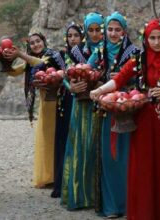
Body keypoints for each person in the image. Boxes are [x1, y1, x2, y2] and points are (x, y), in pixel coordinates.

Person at [90, 18, 160, 220]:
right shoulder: (138, 59)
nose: (157, 42)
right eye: (152, 38)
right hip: (144, 121)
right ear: (146, 39)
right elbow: (119, 79)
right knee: (144, 167)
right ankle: (145, 213)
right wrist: (99, 90)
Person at [88, 11, 139, 218]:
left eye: (118, 30)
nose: (113, 33)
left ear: (124, 31)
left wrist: (124, 84)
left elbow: (140, 81)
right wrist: (98, 82)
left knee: (127, 157)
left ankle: (129, 204)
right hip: (106, 111)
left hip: (128, 110)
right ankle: (111, 206)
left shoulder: (133, 52)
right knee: (109, 158)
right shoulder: (99, 51)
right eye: (110, 29)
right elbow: (85, 71)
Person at [3, 33, 66, 188]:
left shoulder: (53, 56)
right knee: (45, 141)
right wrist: (5, 60)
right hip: (45, 105)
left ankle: (57, 176)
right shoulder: (29, 60)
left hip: (59, 102)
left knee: (55, 139)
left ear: (44, 42)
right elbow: (13, 72)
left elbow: (40, 64)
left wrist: (20, 54)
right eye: (32, 43)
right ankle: (48, 176)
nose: (36, 45)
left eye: (38, 41)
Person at [60, 12, 104, 211]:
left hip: (100, 104)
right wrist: (70, 87)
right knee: (80, 147)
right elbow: (65, 74)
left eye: (98, 30)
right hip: (80, 105)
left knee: (97, 147)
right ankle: (79, 196)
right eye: (91, 30)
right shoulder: (76, 51)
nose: (95, 34)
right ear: (86, 31)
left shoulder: (108, 50)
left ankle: (98, 197)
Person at [50, 22, 83, 198]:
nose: (72, 39)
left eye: (76, 35)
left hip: (81, 102)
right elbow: (52, 73)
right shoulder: (61, 56)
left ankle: (77, 185)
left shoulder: (87, 55)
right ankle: (62, 184)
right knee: (63, 140)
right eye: (69, 36)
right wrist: (66, 84)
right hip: (65, 101)